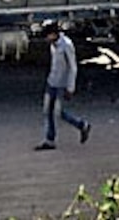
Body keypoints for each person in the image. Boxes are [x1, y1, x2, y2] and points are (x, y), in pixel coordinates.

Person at [35, 21, 91, 151]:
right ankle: (50, 139)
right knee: (47, 110)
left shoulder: (66, 45)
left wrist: (70, 87)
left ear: (54, 34)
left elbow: (73, 67)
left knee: (57, 112)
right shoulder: (53, 45)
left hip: (62, 84)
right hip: (52, 81)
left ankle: (81, 125)